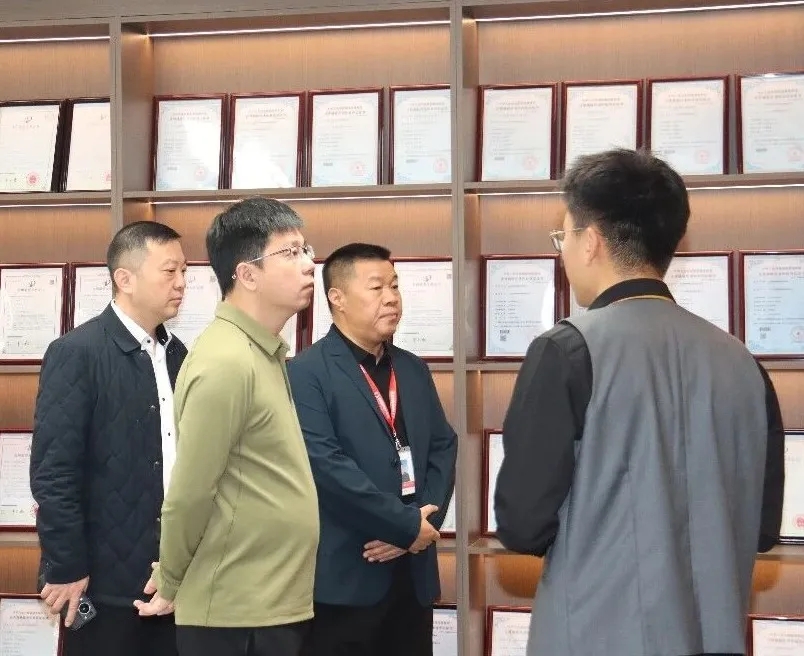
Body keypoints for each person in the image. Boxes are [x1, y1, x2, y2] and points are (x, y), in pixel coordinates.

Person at [494, 148, 785, 656]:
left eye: (563, 237)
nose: (562, 252)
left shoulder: (565, 350)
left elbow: (522, 525)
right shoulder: (743, 363)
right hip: (716, 636)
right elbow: (762, 530)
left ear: (591, 242)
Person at [133, 197, 320, 656]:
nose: (309, 264)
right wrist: (171, 578)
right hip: (235, 615)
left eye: (306, 249)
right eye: (291, 252)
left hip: (267, 603)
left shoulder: (260, 351)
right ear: (247, 274)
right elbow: (190, 492)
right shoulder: (226, 361)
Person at [287, 242, 458, 656]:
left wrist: (418, 528)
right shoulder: (306, 372)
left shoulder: (412, 368)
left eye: (395, 286)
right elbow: (326, 467)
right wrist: (405, 526)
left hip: (412, 575)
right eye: (377, 287)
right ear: (337, 297)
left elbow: (442, 447)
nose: (391, 298)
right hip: (347, 577)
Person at [30, 221, 188, 656]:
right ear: (125, 278)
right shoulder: (76, 352)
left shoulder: (177, 353)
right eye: (169, 271)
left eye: (184, 272)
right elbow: (54, 471)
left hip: (171, 576)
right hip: (103, 580)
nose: (181, 283)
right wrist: (66, 564)